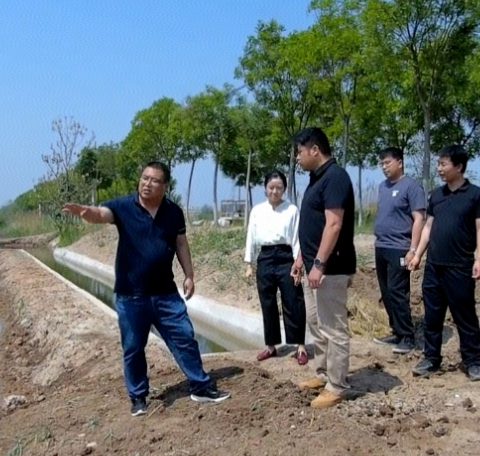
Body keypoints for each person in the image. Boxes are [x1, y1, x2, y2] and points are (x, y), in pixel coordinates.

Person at [62, 161, 230, 417]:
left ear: (165, 185)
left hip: (166, 293)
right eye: (144, 178)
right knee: (133, 347)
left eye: (153, 180)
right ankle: (138, 397)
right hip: (132, 295)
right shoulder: (123, 206)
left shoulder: (173, 211)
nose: (146, 184)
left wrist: (189, 275)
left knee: (184, 338)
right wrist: (87, 212)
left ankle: (200, 386)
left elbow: (181, 243)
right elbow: (102, 214)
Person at [409, 144, 480, 381]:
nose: (440, 169)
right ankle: (431, 357)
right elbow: (428, 227)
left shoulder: (476, 195)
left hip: (460, 266)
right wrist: (417, 255)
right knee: (432, 316)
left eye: (444, 164)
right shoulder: (436, 195)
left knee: (465, 315)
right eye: (438, 164)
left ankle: (473, 360)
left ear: (459, 166)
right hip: (434, 267)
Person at [290, 127, 356, 409]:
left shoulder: (335, 177)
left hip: (331, 267)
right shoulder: (316, 179)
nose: (297, 158)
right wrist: (302, 260)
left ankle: (338, 385)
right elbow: (314, 226)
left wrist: (319, 264)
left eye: (299, 152)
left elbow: (334, 224)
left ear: (314, 149)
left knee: (333, 327)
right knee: (316, 324)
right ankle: (323, 374)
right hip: (313, 266)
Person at [244, 170, 308, 365]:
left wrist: (299, 263)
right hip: (265, 257)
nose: (275, 191)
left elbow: (298, 238)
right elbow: (251, 237)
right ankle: (271, 345)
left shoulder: (292, 210)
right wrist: (249, 263)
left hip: (285, 257)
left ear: (284, 189)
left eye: (279, 188)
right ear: (265, 189)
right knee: (267, 302)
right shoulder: (257, 210)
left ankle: (300, 345)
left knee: (293, 300)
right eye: (271, 187)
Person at [371, 147, 426, 355]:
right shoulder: (382, 187)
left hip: (400, 248)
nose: (385, 167)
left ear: (399, 162)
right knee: (386, 292)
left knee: (397, 290)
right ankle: (396, 329)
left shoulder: (411, 187)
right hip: (382, 246)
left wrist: (414, 249)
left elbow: (419, 219)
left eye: (388, 162)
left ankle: (407, 336)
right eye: (382, 164)